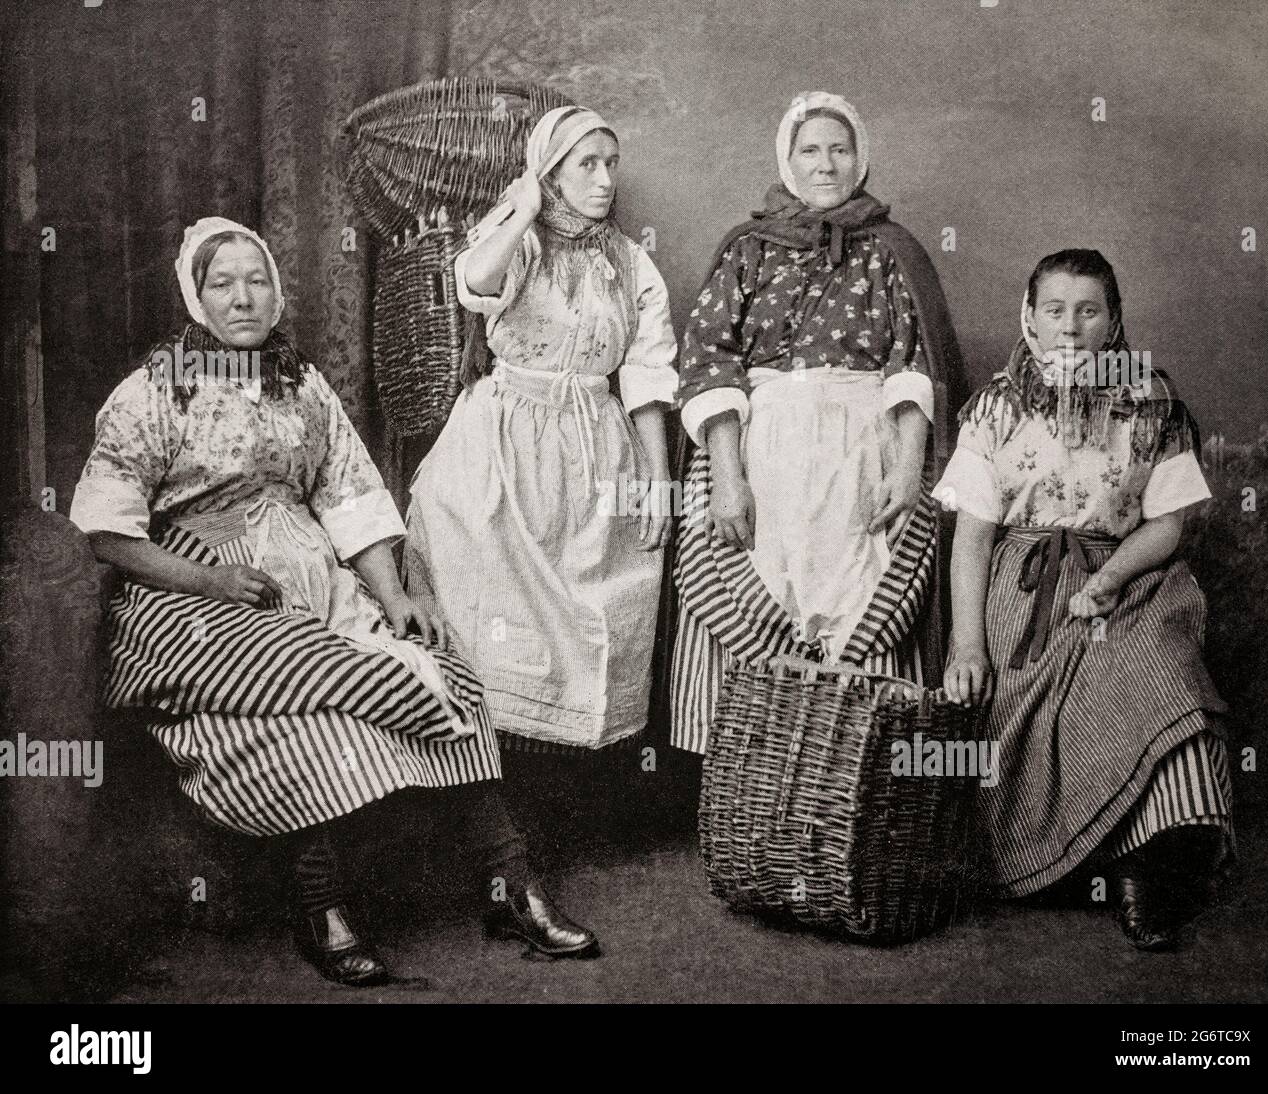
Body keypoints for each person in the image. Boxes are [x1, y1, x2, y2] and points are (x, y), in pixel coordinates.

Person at [69, 217, 597, 988]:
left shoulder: (301, 384)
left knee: (443, 666)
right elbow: (106, 530)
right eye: (223, 283)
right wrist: (214, 581)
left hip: (312, 580)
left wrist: (395, 592)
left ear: (276, 292)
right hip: (189, 592)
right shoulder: (155, 388)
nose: (242, 298)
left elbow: (349, 498)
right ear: (195, 294)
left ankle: (512, 888)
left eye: (257, 281)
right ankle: (322, 909)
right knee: (302, 704)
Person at [934, 248, 1233, 951]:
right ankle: (1066, 862)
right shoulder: (995, 409)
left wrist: (1107, 580)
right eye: (1055, 311)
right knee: (1007, 688)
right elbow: (973, 539)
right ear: (1028, 320)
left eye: (1088, 312)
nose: (1071, 328)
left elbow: (1168, 523)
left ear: (1114, 321)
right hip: (1027, 579)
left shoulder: (1151, 401)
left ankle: (1155, 867)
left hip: (1130, 577)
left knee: (1161, 672)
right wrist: (967, 644)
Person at [669, 91, 967, 753]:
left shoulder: (893, 252)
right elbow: (709, 358)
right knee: (757, 573)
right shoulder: (747, 249)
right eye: (810, 149)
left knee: (861, 578)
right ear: (787, 159)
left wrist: (909, 465)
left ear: (860, 160)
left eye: (840, 149)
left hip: (865, 440)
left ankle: (851, 760)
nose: (825, 164)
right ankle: (755, 763)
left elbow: (914, 359)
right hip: (763, 439)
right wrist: (727, 475)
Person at [403, 106, 678, 761]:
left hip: (594, 446)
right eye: (587, 163)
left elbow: (646, 371)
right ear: (548, 172)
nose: (606, 179)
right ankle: (483, 760)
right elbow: (475, 282)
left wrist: (660, 478)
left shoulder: (628, 261)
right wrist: (524, 209)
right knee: (486, 589)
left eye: (611, 163)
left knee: (601, 598)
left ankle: (569, 773)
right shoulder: (517, 237)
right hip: (505, 434)